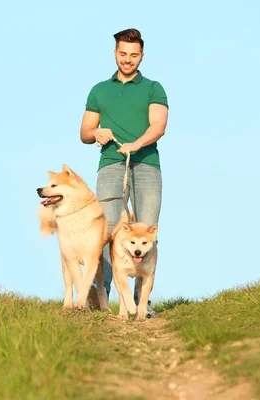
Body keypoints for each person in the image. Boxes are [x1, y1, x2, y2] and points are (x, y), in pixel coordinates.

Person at [80, 28, 169, 317]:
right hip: (110, 165)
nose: (127, 60)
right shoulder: (99, 90)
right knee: (106, 233)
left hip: (146, 166)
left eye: (133, 55)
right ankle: (100, 298)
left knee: (145, 231)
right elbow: (84, 132)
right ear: (115, 53)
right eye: (122, 54)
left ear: (141, 56)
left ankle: (143, 301)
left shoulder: (154, 88)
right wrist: (97, 133)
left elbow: (158, 126)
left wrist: (137, 143)